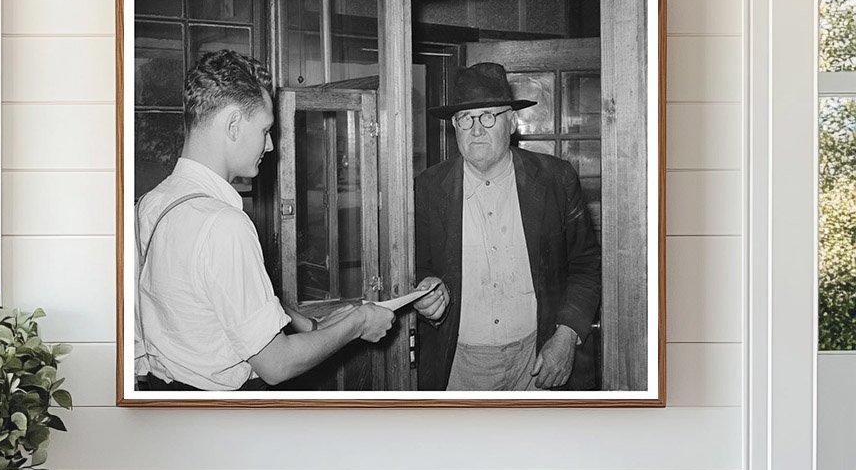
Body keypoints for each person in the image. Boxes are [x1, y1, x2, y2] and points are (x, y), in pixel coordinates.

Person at [135, 49, 394, 392]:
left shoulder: (153, 204)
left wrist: (306, 323)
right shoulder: (224, 225)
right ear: (232, 125)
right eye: (265, 129)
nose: (270, 145)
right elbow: (277, 364)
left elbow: (212, 297)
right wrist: (359, 323)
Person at [413, 62, 601, 392]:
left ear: (512, 122)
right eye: (465, 119)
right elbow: (416, 268)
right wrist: (425, 291)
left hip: (538, 358)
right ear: (454, 127)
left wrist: (567, 335)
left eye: (488, 116)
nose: (476, 129)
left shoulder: (556, 179)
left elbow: (586, 265)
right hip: (461, 365)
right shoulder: (428, 188)